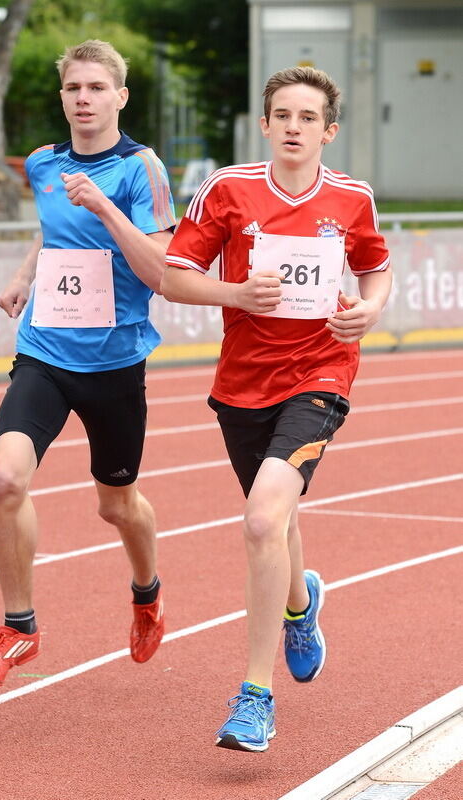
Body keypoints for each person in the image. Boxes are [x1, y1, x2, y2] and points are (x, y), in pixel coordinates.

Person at [162, 67, 391, 751]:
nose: (294, 126)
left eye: (307, 116)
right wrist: (236, 295)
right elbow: (176, 276)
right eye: (282, 115)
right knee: (275, 520)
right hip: (242, 384)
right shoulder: (229, 189)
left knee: (262, 517)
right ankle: (301, 604)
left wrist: (371, 311)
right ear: (265, 125)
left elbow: (375, 264)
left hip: (321, 374)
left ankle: (254, 699)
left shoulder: (352, 198)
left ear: (329, 129)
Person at [0, 40, 175, 690]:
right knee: (5, 480)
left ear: (120, 95)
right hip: (45, 352)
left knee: (117, 506)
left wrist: (105, 206)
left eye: (95, 87)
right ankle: (19, 626)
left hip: (114, 365)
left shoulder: (143, 169)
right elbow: (54, 231)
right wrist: (25, 275)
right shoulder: (43, 163)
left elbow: (161, 270)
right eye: (73, 88)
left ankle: (147, 594)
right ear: (62, 97)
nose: (83, 99)